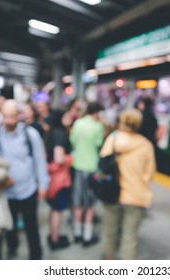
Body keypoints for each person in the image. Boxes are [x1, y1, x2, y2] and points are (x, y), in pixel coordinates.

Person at [0, 100, 49, 259]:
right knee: (9, 225)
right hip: (6, 191)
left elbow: (39, 160)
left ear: (19, 115)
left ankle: (36, 255)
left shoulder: (30, 134)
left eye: (12, 116)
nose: (9, 121)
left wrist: (43, 185)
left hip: (28, 189)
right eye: (5, 116)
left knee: (31, 226)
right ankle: (12, 247)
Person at [100, 109, 156, 259]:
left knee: (110, 231)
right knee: (129, 238)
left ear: (122, 122)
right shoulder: (146, 145)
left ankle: (109, 260)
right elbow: (150, 174)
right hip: (136, 196)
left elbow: (103, 165)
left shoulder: (113, 139)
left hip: (113, 194)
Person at [69, 101, 104, 246]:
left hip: (77, 167)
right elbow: (98, 144)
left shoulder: (77, 123)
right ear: (96, 113)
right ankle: (87, 236)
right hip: (91, 169)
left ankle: (77, 233)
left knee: (77, 203)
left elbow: (72, 141)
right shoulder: (98, 126)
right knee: (89, 205)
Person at [45, 109, 73, 250]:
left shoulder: (53, 132)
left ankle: (52, 235)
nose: (70, 117)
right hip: (60, 180)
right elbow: (59, 158)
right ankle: (55, 240)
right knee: (57, 210)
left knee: (53, 208)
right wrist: (72, 158)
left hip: (52, 179)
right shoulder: (60, 134)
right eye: (67, 115)